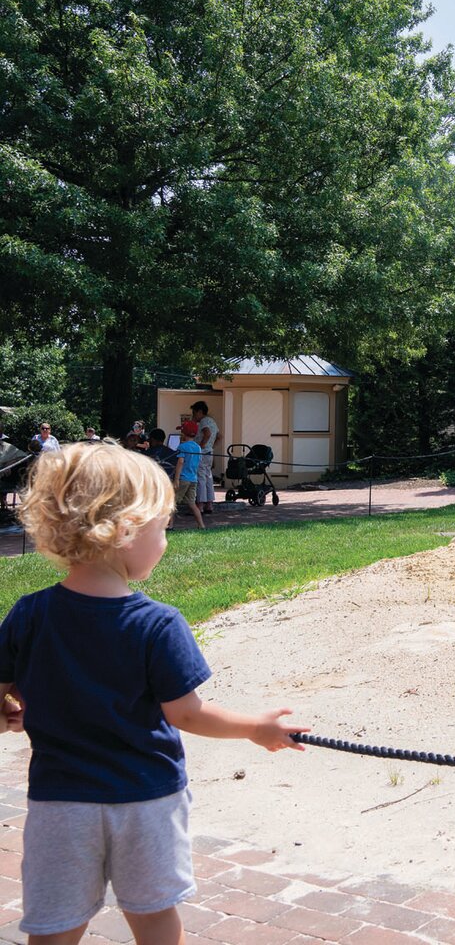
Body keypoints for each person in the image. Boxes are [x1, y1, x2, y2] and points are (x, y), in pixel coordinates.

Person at [1, 444, 305, 943]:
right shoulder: (156, 624)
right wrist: (257, 727)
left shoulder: (30, 614)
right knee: (155, 916)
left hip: (59, 805)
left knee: (54, 926)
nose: (165, 541)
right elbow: (187, 714)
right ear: (124, 530)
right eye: (161, 528)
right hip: (145, 801)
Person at [171, 421, 204, 530]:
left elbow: (180, 462)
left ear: (184, 433)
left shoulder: (182, 446)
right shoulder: (198, 448)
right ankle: (201, 525)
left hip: (183, 478)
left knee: (172, 502)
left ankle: (170, 525)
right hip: (193, 479)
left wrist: (176, 480)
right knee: (192, 504)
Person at [190, 403, 218, 515]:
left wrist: (200, 447)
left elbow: (207, 433)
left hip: (202, 453)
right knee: (208, 477)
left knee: (200, 478)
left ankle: (200, 505)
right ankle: (209, 504)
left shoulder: (204, 421)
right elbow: (219, 436)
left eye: (194, 413)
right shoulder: (212, 421)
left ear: (200, 411)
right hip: (209, 452)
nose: (194, 415)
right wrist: (211, 446)